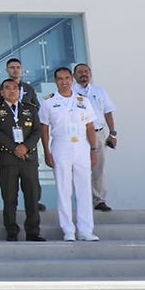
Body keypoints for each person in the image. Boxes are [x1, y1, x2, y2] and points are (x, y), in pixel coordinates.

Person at [41, 67, 99, 241]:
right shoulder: (49, 102)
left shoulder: (83, 101)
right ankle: (68, 230)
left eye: (67, 78)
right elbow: (44, 128)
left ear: (72, 79)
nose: (64, 81)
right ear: (55, 81)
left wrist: (94, 149)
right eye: (60, 79)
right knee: (64, 189)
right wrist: (46, 152)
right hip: (61, 144)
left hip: (81, 145)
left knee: (84, 189)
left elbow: (90, 127)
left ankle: (86, 230)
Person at [0, 79, 45, 242]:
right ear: (1, 92)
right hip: (7, 159)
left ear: (20, 91)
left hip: (28, 158)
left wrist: (25, 147)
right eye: (7, 88)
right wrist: (14, 147)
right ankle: (11, 231)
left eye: (15, 88)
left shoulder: (31, 109)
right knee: (9, 197)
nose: (11, 91)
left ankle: (33, 231)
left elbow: (37, 131)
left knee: (32, 197)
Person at [72, 63, 118, 212]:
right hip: (78, 135)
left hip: (98, 133)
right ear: (74, 76)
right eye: (80, 72)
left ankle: (98, 200)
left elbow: (108, 112)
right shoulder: (70, 93)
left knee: (98, 167)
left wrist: (112, 133)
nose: (83, 74)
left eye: (86, 71)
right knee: (79, 168)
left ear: (90, 73)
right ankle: (83, 201)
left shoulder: (100, 92)